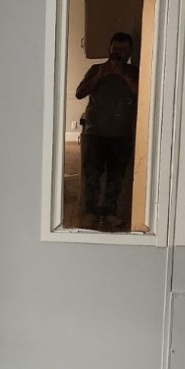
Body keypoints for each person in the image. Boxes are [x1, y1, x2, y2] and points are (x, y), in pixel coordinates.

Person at [75, 31, 139, 229]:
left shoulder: (134, 72)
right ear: (109, 49)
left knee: (116, 177)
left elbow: (143, 95)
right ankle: (91, 213)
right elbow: (79, 93)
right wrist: (100, 76)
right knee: (92, 176)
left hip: (121, 134)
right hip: (95, 133)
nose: (118, 53)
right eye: (115, 49)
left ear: (130, 52)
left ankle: (110, 213)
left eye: (123, 50)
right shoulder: (96, 69)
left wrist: (123, 76)